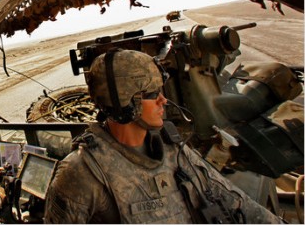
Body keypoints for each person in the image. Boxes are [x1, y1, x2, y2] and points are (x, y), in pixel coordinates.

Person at [44, 49, 283, 223]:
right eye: (152, 93)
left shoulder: (172, 148)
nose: (163, 100)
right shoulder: (82, 173)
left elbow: (232, 198)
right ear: (126, 102)